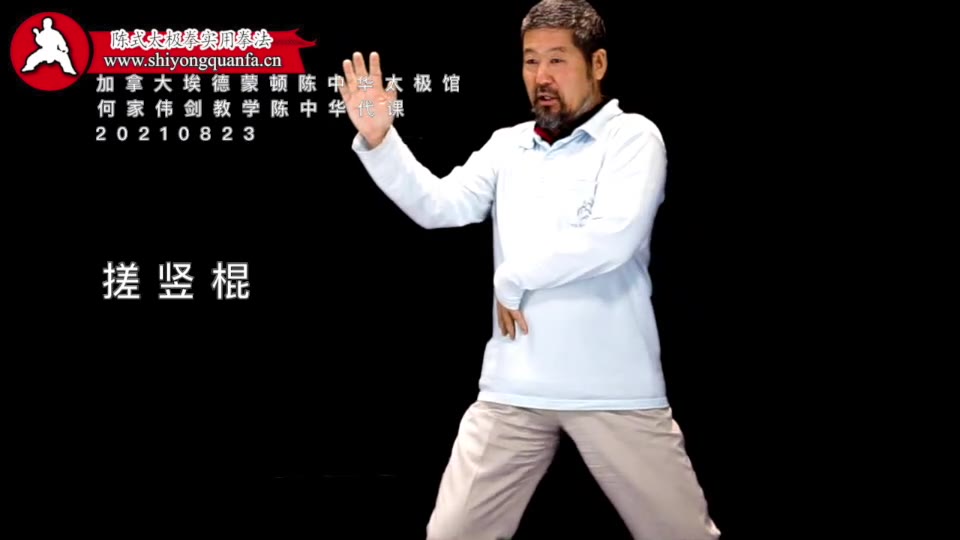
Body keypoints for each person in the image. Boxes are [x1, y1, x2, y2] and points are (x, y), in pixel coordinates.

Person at [340, 1, 720, 538]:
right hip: (512, 387)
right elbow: (439, 206)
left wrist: (513, 277)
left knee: (681, 534)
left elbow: (613, 237)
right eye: (530, 60)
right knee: (452, 534)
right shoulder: (507, 146)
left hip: (614, 387)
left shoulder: (633, 138)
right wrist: (382, 140)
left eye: (557, 60)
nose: (541, 76)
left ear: (598, 64)